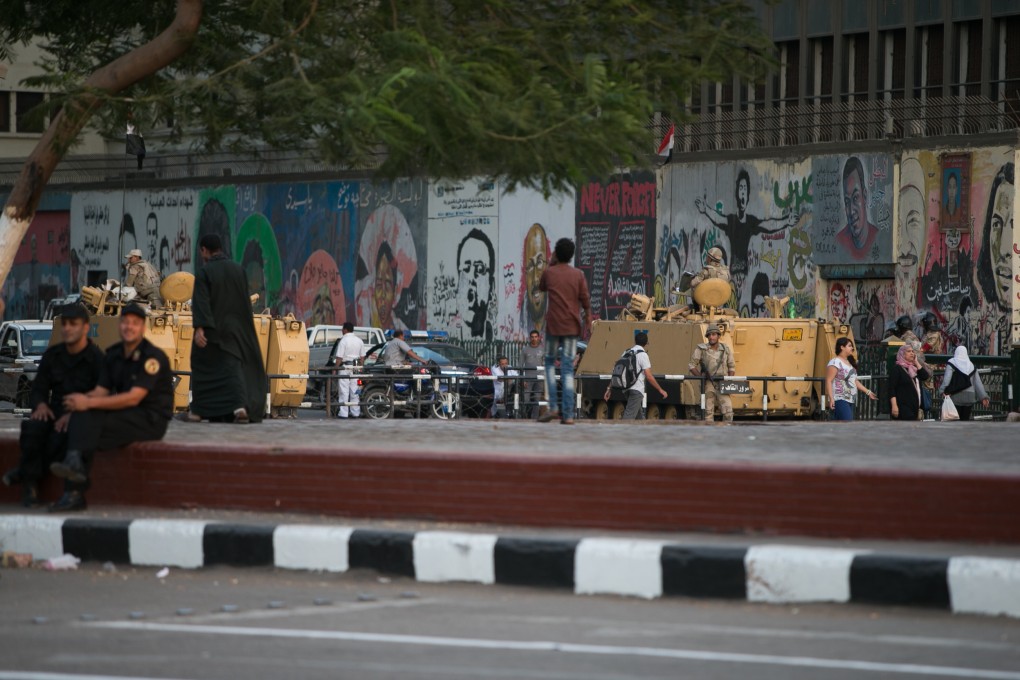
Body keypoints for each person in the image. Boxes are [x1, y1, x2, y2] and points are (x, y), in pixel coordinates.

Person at [48, 304, 174, 510]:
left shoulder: (152, 358)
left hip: (149, 420)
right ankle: (73, 476)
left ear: (143, 328)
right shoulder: (113, 355)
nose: (129, 327)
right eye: (125, 322)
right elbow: (100, 391)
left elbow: (134, 398)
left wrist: (87, 403)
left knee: (84, 427)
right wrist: (73, 408)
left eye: (135, 323)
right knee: (82, 419)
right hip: (125, 416)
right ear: (119, 325)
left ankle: (74, 490)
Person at [2, 304, 104, 509]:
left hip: (83, 414)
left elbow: (101, 395)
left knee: (62, 439)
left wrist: (74, 413)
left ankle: (26, 473)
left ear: (85, 328)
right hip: (55, 409)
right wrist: (40, 405)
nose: (67, 328)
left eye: (73, 324)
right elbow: (39, 387)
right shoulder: (53, 355)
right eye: (64, 324)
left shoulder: (96, 358)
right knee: (33, 427)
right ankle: (29, 488)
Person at [189, 233, 268, 424]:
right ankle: (240, 407)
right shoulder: (238, 269)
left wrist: (200, 328)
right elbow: (244, 301)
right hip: (236, 331)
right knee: (233, 368)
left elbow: (201, 302)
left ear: (204, 250)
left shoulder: (204, 272)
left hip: (213, 331)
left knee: (201, 365)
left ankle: (198, 411)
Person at [538, 238, 592, 425]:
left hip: (554, 326)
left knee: (550, 364)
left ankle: (553, 406)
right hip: (571, 327)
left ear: (556, 253)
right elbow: (585, 299)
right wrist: (589, 319)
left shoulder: (549, 273)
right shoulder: (578, 275)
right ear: (571, 256)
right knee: (568, 368)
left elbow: (541, 287)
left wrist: (552, 262)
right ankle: (568, 415)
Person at [610, 331, 668, 420]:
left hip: (626, 388)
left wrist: (609, 388)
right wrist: (660, 389)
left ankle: (644, 432)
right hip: (637, 390)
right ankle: (621, 433)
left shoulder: (626, 352)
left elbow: (616, 371)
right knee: (628, 417)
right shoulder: (643, 355)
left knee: (639, 417)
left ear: (635, 341)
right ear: (647, 343)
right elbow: (648, 376)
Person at [456, 228, 497, 340]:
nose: (471, 278)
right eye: (466, 268)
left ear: (491, 287)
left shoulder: (495, 343)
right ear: (458, 285)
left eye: (480, 269)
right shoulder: (450, 342)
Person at [836, 157, 879, 260]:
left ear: (864, 196)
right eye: (847, 202)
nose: (851, 211)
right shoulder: (839, 241)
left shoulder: (878, 238)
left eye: (855, 198)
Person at [824, 336, 877, 421]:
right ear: (842, 347)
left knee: (841, 425)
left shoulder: (850, 363)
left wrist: (868, 392)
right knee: (847, 423)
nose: (852, 348)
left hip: (851, 399)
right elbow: (829, 380)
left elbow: (854, 381)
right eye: (849, 346)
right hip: (839, 398)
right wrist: (831, 398)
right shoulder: (835, 362)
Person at [689, 327, 736, 422]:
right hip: (708, 384)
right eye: (709, 335)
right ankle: (708, 434)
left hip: (722, 383)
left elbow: (731, 366)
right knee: (708, 412)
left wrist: (729, 381)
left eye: (714, 334)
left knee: (728, 411)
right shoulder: (702, 349)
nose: (711, 337)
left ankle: (726, 432)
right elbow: (691, 365)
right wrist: (701, 378)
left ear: (718, 336)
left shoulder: (725, 349)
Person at [939, 346, 989, 421]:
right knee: (965, 420)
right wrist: (983, 397)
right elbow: (978, 382)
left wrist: (942, 391)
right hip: (970, 397)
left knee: (954, 420)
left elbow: (947, 380)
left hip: (955, 396)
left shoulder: (952, 362)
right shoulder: (971, 365)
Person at [888, 344, 931, 421]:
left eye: (912, 351)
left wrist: (916, 362)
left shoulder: (913, 368)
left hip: (915, 408)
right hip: (903, 407)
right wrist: (894, 405)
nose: (912, 353)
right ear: (902, 354)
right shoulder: (897, 369)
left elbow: (925, 376)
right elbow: (892, 388)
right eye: (908, 351)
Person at [333, 321, 365, 419]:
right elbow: (362, 357)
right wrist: (360, 367)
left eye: (342, 329)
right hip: (355, 365)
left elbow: (339, 358)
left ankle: (343, 413)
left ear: (345, 330)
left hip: (345, 366)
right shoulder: (359, 340)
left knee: (344, 390)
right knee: (355, 389)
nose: (342, 330)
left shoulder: (343, 340)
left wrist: (335, 369)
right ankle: (355, 413)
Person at [520, 329, 545, 418]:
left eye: (535, 337)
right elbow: (520, 365)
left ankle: (534, 418)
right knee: (525, 399)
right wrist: (523, 379)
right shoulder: (525, 350)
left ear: (538, 338)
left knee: (537, 399)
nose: (534, 339)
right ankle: (524, 417)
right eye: (532, 337)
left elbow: (545, 363)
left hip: (540, 378)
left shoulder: (543, 349)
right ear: (529, 338)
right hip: (528, 378)